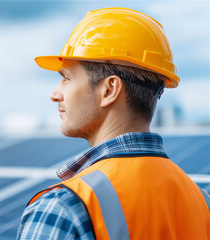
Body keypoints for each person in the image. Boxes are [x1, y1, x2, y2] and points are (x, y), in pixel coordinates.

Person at [17, 7, 210, 240]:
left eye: (66, 78)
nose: (55, 94)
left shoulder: (62, 209)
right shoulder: (202, 202)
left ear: (109, 90)